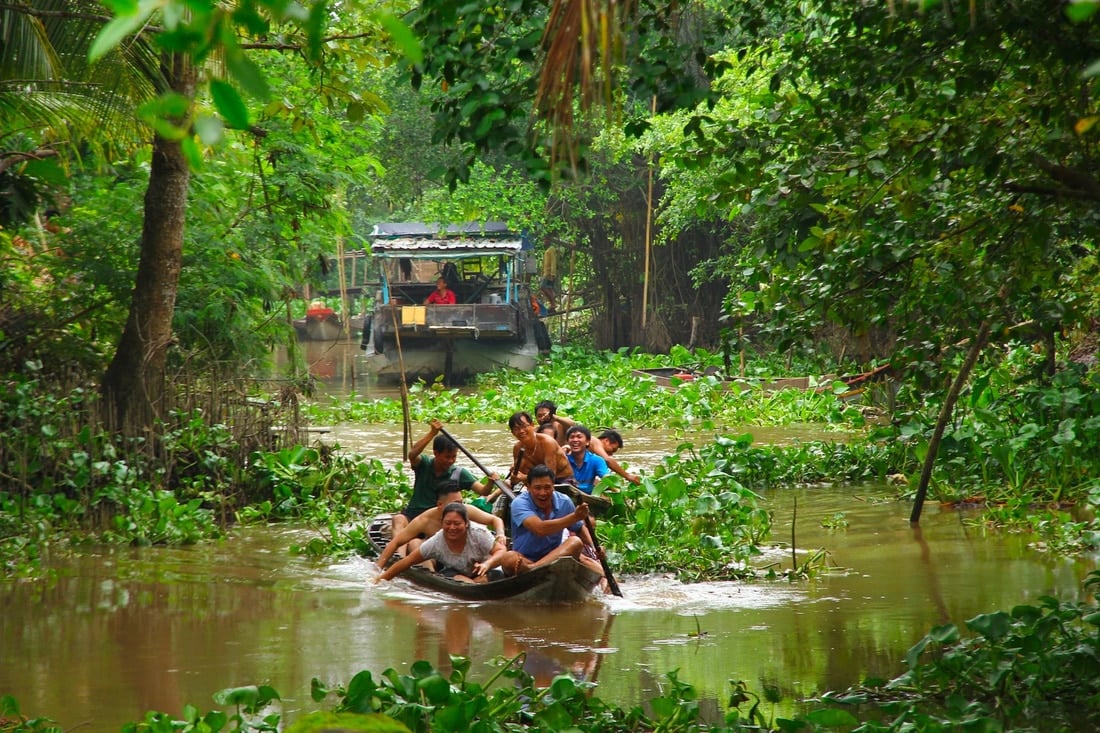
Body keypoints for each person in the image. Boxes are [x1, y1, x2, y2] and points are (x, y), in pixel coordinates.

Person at [396, 419, 496, 539]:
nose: (451, 460)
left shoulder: (459, 473)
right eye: (447, 457)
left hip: (438, 519)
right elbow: (412, 454)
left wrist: (490, 481)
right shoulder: (424, 464)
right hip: (413, 515)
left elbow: (483, 491)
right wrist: (432, 433)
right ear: (436, 453)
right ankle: (398, 554)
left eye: (454, 457)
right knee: (398, 520)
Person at [497, 465, 603, 578]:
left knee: (575, 542)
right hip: (524, 561)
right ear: (528, 487)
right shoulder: (519, 503)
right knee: (508, 559)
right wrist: (574, 517)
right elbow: (540, 529)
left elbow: (579, 528)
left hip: (554, 559)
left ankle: (534, 569)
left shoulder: (564, 502)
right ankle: (533, 568)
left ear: (553, 486)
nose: (543, 493)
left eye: (547, 487)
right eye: (537, 488)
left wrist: (594, 548)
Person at [375, 490, 507, 570]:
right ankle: (432, 576)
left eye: (461, 502)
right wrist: (378, 568)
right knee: (414, 543)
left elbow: (495, 520)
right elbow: (396, 542)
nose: (459, 507)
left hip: (470, 555)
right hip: (441, 557)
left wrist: (500, 533)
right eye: (455, 503)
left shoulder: (464, 511)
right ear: (440, 505)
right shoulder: (424, 520)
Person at [378, 503, 507, 584]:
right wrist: (380, 578)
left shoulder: (478, 533)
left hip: (484, 570)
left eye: (457, 524)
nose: (452, 528)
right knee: (455, 578)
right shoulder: (437, 541)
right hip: (456, 573)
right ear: (442, 523)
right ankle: (473, 586)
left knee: (494, 575)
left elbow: (502, 551)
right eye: (447, 523)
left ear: (466, 524)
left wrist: (487, 564)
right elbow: (407, 562)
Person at [507, 411, 573, 485]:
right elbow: (518, 474)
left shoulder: (547, 442)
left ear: (532, 425)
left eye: (524, 426)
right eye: (516, 429)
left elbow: (550, 475)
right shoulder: (517, 448)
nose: (521, 431)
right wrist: (516, 477)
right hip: (536, 482)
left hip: (562, 480)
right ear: (513, 433)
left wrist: (524, 477)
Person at [564, 425, 609, 494]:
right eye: (572, 437)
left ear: (587, 442)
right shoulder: (563, 459)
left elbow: (607, 478)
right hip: (567, 496)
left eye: (579, 437)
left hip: (588, 497)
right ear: (567, 442)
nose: (575, 440)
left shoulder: (596, 460)